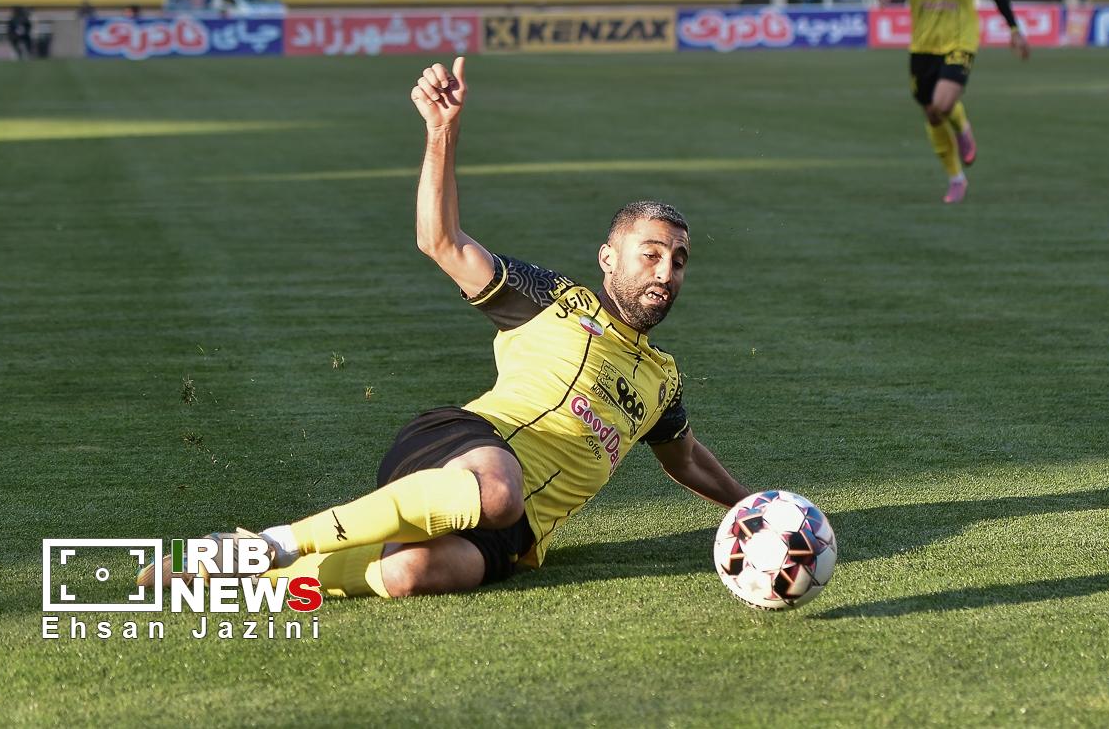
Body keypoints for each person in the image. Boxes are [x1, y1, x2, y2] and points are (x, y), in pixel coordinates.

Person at [141, 57, 752, 599]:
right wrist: (441, 133)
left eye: (678, 260)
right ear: (608, 258)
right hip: (463, 446)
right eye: (651, 254)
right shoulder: (554, 301)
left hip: (517, 530)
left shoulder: (662, 380)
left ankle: (242, 574)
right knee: (499, 491)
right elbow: (441, 241)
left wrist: (753, 509)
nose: (666, 271)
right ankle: (270, 544)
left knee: (413, 571)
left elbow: (687, 459)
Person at [879, 0, 1030, 204]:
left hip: (960, 39)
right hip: (923, 43)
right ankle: (956, 177)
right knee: (932, 114)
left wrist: (1014, 28)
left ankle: (961, 128)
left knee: (942, 104)